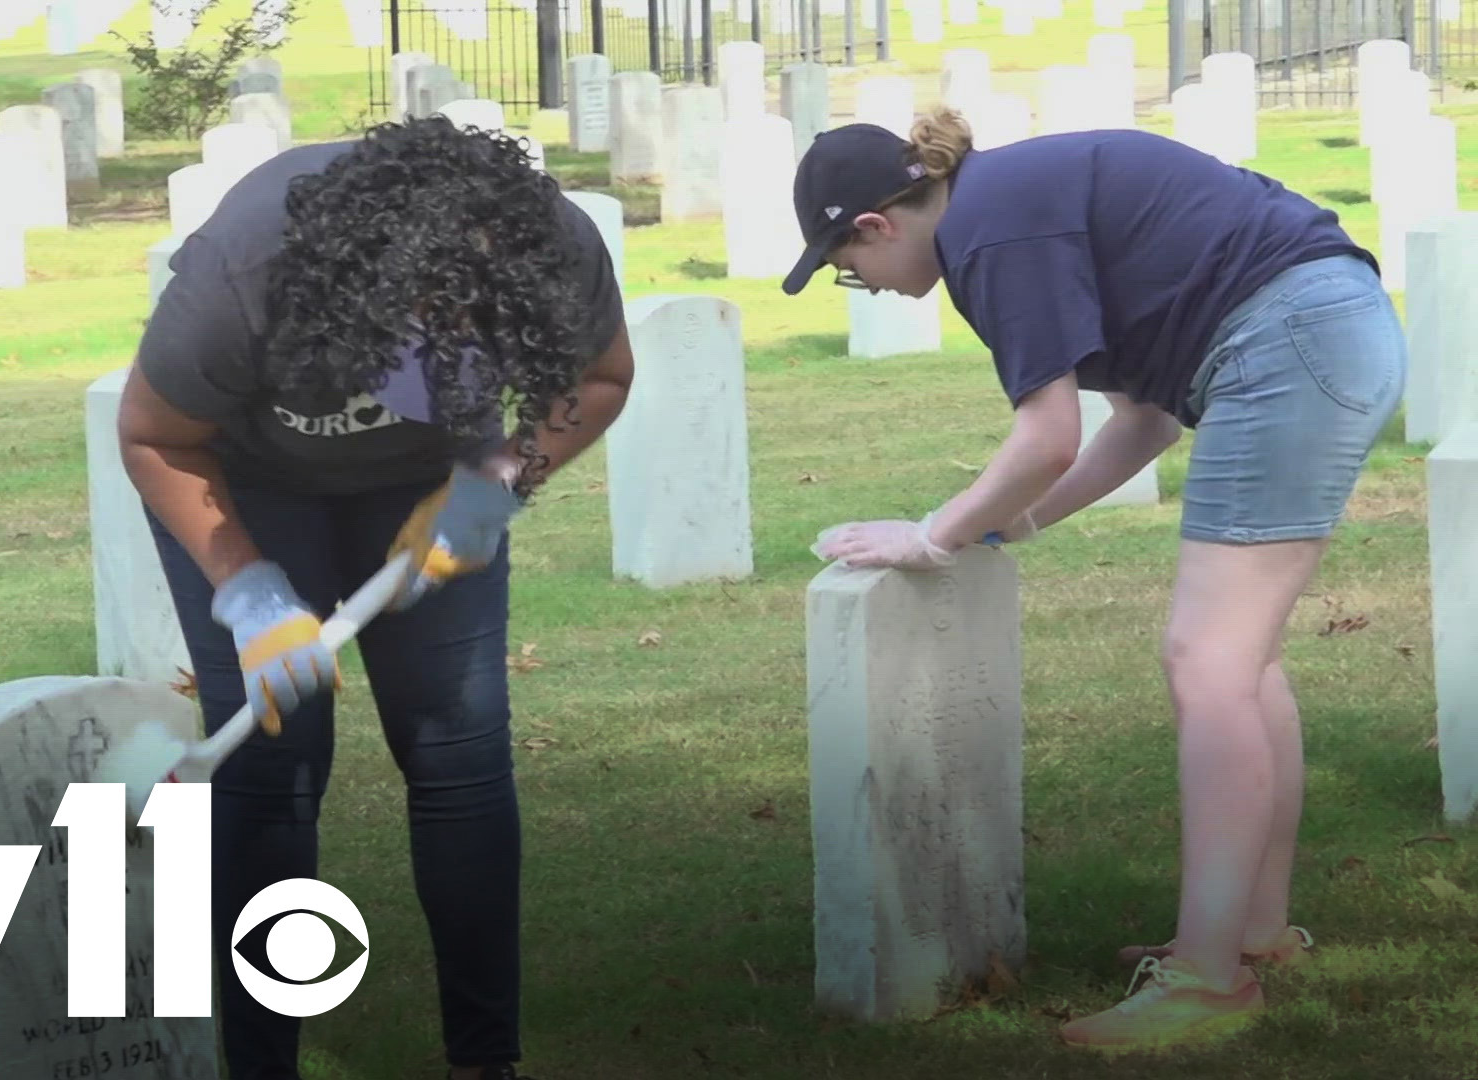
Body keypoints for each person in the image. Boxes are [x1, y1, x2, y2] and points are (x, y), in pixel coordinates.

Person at [786, 109, 1404, 1051]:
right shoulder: (1004, 202)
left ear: (875, 224)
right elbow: (1144, 423)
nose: (860, 286)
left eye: (845, 269)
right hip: (1319, 325)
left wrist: (933, 536)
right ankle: (1253, 933)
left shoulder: (990, 231)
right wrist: (1010, 523)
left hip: (1287, 341)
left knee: (1207, 662)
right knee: (1241, 662)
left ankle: (1206, 981)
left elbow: (1047, 437)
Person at [116, 116, 633, 1080]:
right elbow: (153, 435)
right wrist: (250, 589)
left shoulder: (548, 241)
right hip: (246, 481)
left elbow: (602, 377)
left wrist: (501, 481)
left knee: (459, 748)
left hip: (429, 482)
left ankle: (486, 1060)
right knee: (274, 762)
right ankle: (261, 1065)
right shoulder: (248, 267)